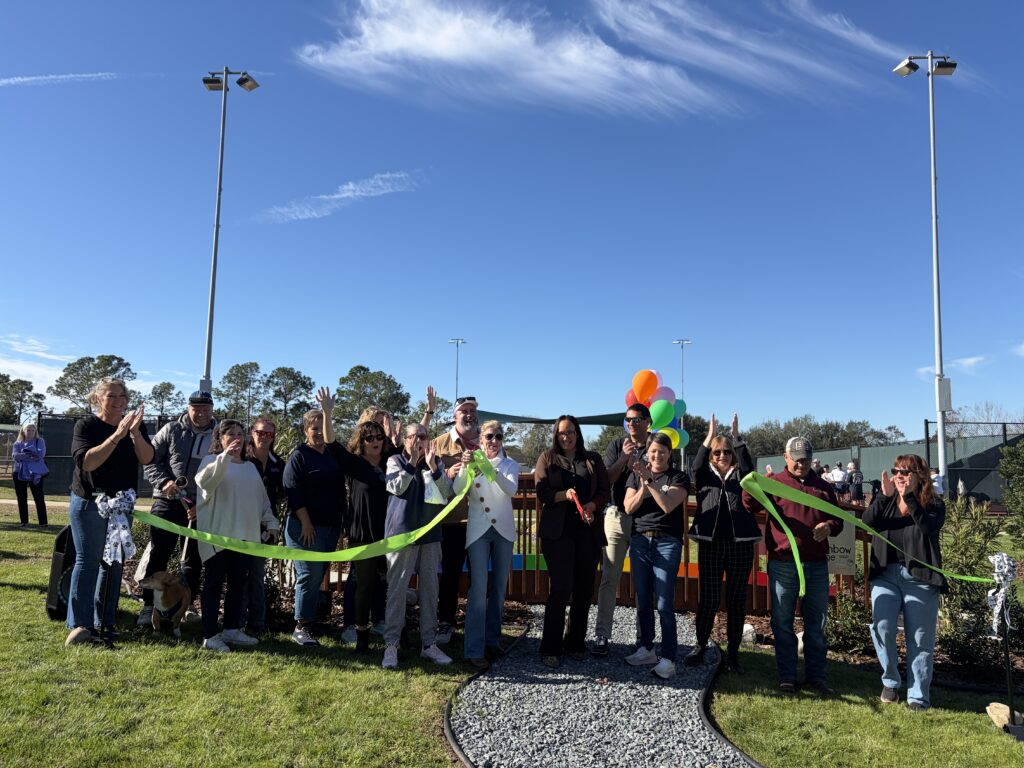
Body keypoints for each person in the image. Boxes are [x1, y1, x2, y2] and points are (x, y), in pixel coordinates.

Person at [742, 436, 842, 694]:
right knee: (783, 622)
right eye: (796, 459)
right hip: (783, 564)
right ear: (785, 457)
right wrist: (752, 484)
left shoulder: (824, 486)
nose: (801, 464)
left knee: (816, 624)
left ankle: (816, 676)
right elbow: (749, 504)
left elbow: (838, 520)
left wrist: (828, 527)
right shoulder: (773, 483)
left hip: (817, 565)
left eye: (806, 459)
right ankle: (787, 675)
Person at [283, 389, 376, 647]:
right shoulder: (299, 456)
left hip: (331, 526)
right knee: (308, 576)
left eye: (321, 427)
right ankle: (301, 627)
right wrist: (306, 522)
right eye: (313, 428)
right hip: (304, 528)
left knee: (317, 575)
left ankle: (311, 622)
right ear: (305, 430)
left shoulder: (333, 456)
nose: (317, 432)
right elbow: (293, 493)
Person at [66, 379, 154, 646]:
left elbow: (147, 458)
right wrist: (117, 435)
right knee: (89, 560)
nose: (118, 401)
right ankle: (80, 625)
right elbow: (88, 462)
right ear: (98, 398)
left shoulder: (135, 428)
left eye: (122, 396)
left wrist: (135, 433)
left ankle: (104, 620)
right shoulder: (86, 426)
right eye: (111, 396)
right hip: (90, 503)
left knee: (114, 564)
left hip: (121, 505)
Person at [864, 454, 946, 711]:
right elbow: (867, 523)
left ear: (920, 476)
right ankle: (890, 680)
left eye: (906, 472)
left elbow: (926, 527)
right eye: (897, 470)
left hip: (920, 579)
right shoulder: (886, 501)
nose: (900, 475)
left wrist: (909, 496)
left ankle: (918, 697)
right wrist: (883, 497)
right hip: (886, 575)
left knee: (920, 639)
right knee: (883, 627)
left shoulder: (933, 504)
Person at [195, 420, 280, 652]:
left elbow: (261, 499)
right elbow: (205, 482)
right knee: (213, 586)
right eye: (230, 434)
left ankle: (232, 629)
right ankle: (210, 635)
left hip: (245, 539)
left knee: (237, 586)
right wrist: (224, 457)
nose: (236, 438)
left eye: (240, 433)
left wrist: (271, 522)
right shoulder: (210, 461)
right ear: (220, 438)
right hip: (217, 540)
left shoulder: (250, 467)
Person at [137, 391, 218, 627]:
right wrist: (164, 482)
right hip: (168, 501)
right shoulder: (171, 429)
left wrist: (205, 504)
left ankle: (187, 605)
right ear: (188, 408)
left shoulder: (219, 433)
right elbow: (150, 460)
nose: (201, 413)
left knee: (194, 558)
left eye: (206, 408)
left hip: (203, 505)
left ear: (211, 409)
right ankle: (148, 606)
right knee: (159, 553)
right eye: (196, 408)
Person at [687, 413, 760, 673]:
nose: (722, 456)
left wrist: (737, 438)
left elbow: (750, 467)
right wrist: (709, 437)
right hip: (711, 544)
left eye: (726, 452)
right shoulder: (704, 476)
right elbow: (695, 465)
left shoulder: (742, 476)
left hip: (740, 545)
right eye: (717, 452)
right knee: (708, 598)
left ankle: (733, 654)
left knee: (736, 600)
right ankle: (699, 646)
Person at [535, 416, 610, 668]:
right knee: (561, 588)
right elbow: (542, 492)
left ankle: (576, 641)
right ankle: (551, 646)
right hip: (557, 534)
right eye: (560, 433)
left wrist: (591, 504)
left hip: (587, 532)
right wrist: (562, 495)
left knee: (584, 589)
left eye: (569, 432)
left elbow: (604, 492)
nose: (564, 437)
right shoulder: (547, 458)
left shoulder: (593, 459)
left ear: (577, 433)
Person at [381, 423, 454, 669]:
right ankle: (391, 645)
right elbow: (396, 487)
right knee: (397, 591)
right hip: (402, 536)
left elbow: (447, 494)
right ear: (405, 440)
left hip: (431, 536)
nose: (419, 441)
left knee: (430, 591)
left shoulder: (436, 463)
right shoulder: (394, 460)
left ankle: (429, 644)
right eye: (414, 437)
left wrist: (433, 466)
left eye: (423, 436)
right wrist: (412, 463)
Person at [622, 432, 689, 679]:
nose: (657, 455)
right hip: (640, 540)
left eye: (662, 451)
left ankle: (669, 657)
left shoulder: (678, 477)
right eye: (653, 451)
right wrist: (643, 486)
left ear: (669, 453)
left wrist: (649, 481)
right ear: (646, 453)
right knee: (643, 598)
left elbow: (668, 505)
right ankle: (646, 648)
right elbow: (628, 507)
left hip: (667, 543)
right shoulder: (634, 476)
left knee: (663, 603)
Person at [455, 420, 519, 669]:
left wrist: (490, 470)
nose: (494, 441)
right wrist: (465, 469)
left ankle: (493, 640)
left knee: (499, 589)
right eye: (489, 436)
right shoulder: (471, 460)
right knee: (478, 591)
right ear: (480, 439)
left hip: (502, 530)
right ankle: (473, 649)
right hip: (479, 530)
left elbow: (510, 489)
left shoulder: (509, 464)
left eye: (498, 437)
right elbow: (459, 490)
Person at [592, 403, 651, 657]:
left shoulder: (656, 445)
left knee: (643, 582)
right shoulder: (617, 445)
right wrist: (624, 459)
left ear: (648, 421)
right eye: (628, 420)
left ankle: (643, 639)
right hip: (616, 516)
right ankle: (602, 635)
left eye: (636, 419)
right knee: (609, 577)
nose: (631, 424)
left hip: (645, 520)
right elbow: (606, 479)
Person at [433, 395, 480, 645]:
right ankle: (445, 622)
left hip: (482, 522)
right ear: (454, 415)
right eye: (464, 411)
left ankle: (476, 623)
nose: (469, 414)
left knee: (479, 576)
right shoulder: (438, 444)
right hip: (451, 522)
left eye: (473, 410)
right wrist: (447, 472)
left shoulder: (489, 441)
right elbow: (428, 481)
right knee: (449, 575)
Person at [341, 419, 390, 653]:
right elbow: (331, 445)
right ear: (361, 441)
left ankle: (396, 633)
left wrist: (428, 413)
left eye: (379, 436)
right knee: (365, 585)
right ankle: (361, 635)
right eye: (369, 438)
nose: (375, 442)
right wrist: (328, 413)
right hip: (363, 534)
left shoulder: (392, 462)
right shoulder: (355, 464)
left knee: (391, 585)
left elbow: (415, 443)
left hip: (390, 535)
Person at [241, 415, 286, 633]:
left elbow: (282, 494)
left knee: (257, 576)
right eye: (260, 433)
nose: (264, 437)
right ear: (252, 433)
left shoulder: (279, 464)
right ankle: (236, 622)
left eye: (269, 434)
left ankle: (256, 623)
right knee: (239, 575)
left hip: (265, 527)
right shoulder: (242, 460)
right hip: (240, 524)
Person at [12, 422, 48, 526]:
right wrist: (32, 454)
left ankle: (43, 523)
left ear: (35, 431)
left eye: (33, 430)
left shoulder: (40, 441)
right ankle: (24, 522)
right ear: (23, 431)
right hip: (19, 473)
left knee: (39, 498)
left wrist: (24, 454)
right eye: (28, 430)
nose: (30, 432)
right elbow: (16, 457)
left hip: (36, 474)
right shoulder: (17, 444)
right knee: (21, 498)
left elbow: (40, 455)